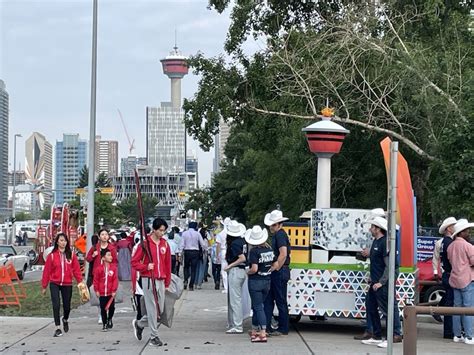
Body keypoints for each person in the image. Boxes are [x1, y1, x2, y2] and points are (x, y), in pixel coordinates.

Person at [360, 216, 402, 348]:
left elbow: (389, 266)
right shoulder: (376, 242)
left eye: (372, 227)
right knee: (371, 307)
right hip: (375, 282)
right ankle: (377, 335)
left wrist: (382, 282)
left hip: (382, 284)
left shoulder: (385, 243)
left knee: (387, 309)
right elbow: (377, 264)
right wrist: (372, 279)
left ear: (378, 229)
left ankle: (393, 335)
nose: (370, 229)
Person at [131, 218, 171, 347]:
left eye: (164, 231)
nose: (162, 233)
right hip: (148, 279)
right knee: (152, 309)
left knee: (159, 312)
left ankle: (140, 323)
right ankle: (154, 336)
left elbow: (168, 264)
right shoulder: (145, 244)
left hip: (161, 279)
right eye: (160, 230)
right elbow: (134, 262)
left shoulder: (165, 244)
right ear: (154, 229)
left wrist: (167, 282)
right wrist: (146, 267)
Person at [41, 233, 83, 337]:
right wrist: (44, 286)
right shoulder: (52, 256)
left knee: (67, 306)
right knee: (56, 305)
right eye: (61, 240)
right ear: (57, 242)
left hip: (67, 283)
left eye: (64, 240)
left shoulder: (71, 255)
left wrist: (80, 282)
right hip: (54, 283)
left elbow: (77, 270)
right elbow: (47, 271)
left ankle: (65, 319)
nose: (63, 243)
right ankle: (57, 327)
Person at [263, 210, 291, 336]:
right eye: (271, 225)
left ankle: (283, 327)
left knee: (279, 300)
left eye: (273, 225)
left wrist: (276, 266)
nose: (271, 227)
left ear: (279, 224)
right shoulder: (280, 234)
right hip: (281, 270)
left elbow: (283, 253)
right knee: (273, 299)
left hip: (280, 270)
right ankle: (270, 326)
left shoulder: (280, 235)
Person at [447, 219, 474, 345]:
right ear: (461, 232)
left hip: (454, 279)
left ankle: (457, 334)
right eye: (466, 231)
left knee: (456, 308)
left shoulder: (451, 246)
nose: (468, 232)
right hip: (467, 279)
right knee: (468, 308)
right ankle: (469, 335)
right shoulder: (468, 246)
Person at [245, 225, 274, 343]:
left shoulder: (254, 251)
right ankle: (254, 330)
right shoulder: (269, 250)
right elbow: (274, 263)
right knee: (259, 305)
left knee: (257, 307)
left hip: (255, 281)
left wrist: (248, 272)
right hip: (267, 281)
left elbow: (254, 268)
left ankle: (262, 332)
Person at [86, 229, 117, 324]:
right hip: (98, 274)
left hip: (109, 274)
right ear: (99, 237)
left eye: (106, 234)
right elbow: (88, 258)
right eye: (102, 234)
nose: (104, 236)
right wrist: (94, 255)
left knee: (108, 296)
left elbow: (115, 261)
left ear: (108, 236)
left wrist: (113, 271)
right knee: (99, 295)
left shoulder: (112, 248)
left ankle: (108, 316)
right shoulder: (95, 247)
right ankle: (101, 314)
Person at [223, 220, 247, 334]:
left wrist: (230, 266)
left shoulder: (235, 244)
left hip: (235, 270)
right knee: (235, 298)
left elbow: (242, 258)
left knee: (234, 300)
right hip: (241, 271)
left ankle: (237, 325)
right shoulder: (243, 241)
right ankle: (233, 323)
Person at [438, 217, 457, 339]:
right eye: (454, 226)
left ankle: (448, 330)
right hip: (450, 274)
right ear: (449, 228)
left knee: (448, 302)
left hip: (446, 274)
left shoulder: (443, 242)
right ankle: (449, 331)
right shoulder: (450, 243)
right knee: (450, 304)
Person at [93, 248, 119, 332]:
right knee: (103, 308)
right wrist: (96, 290)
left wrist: (114, 290)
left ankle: (110, 319)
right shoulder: (98, 269)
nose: (111, 257)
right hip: (102, 293)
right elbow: (96, 280)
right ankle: (104, 324)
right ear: (103, 258)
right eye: (108, 255)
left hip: (111, 293)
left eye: (111, 255)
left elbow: (115, 280)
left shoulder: (114, 268)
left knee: (112, 308)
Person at [179, 221, 207, 291]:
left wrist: (180, 253)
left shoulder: (184, 233)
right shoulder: (197, 234)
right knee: (193, 269)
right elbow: (202, 244)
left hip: (187, 251)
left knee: (186, 267)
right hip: (195, 252)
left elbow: (182, 244)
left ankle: (185, 280)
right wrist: (205, 250)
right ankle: (191, 285)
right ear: (196, 227)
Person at [216, 217, 231, 293]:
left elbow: (218, 245)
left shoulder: (221, 234)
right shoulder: (232, 233)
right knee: (231, 269)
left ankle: (226, 287)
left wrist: (217, 255)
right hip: (231, 251)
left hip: (223, 251)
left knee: (224, 270)